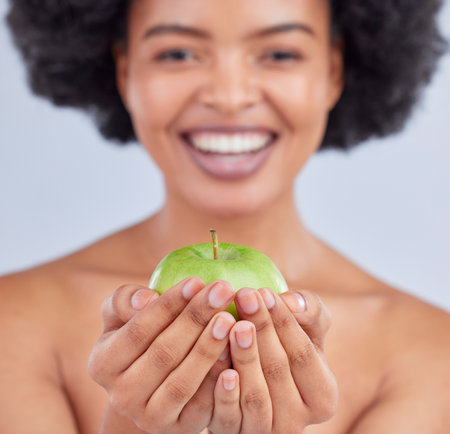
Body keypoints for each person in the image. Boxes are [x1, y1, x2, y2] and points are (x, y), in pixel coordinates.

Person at [1, 0, 449, 432]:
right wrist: (133, 427)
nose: (230, 97)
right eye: (178, 53)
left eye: (279, 53)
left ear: (333, 72)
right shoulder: (13, 325)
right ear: (125, 71)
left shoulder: (432, 355)